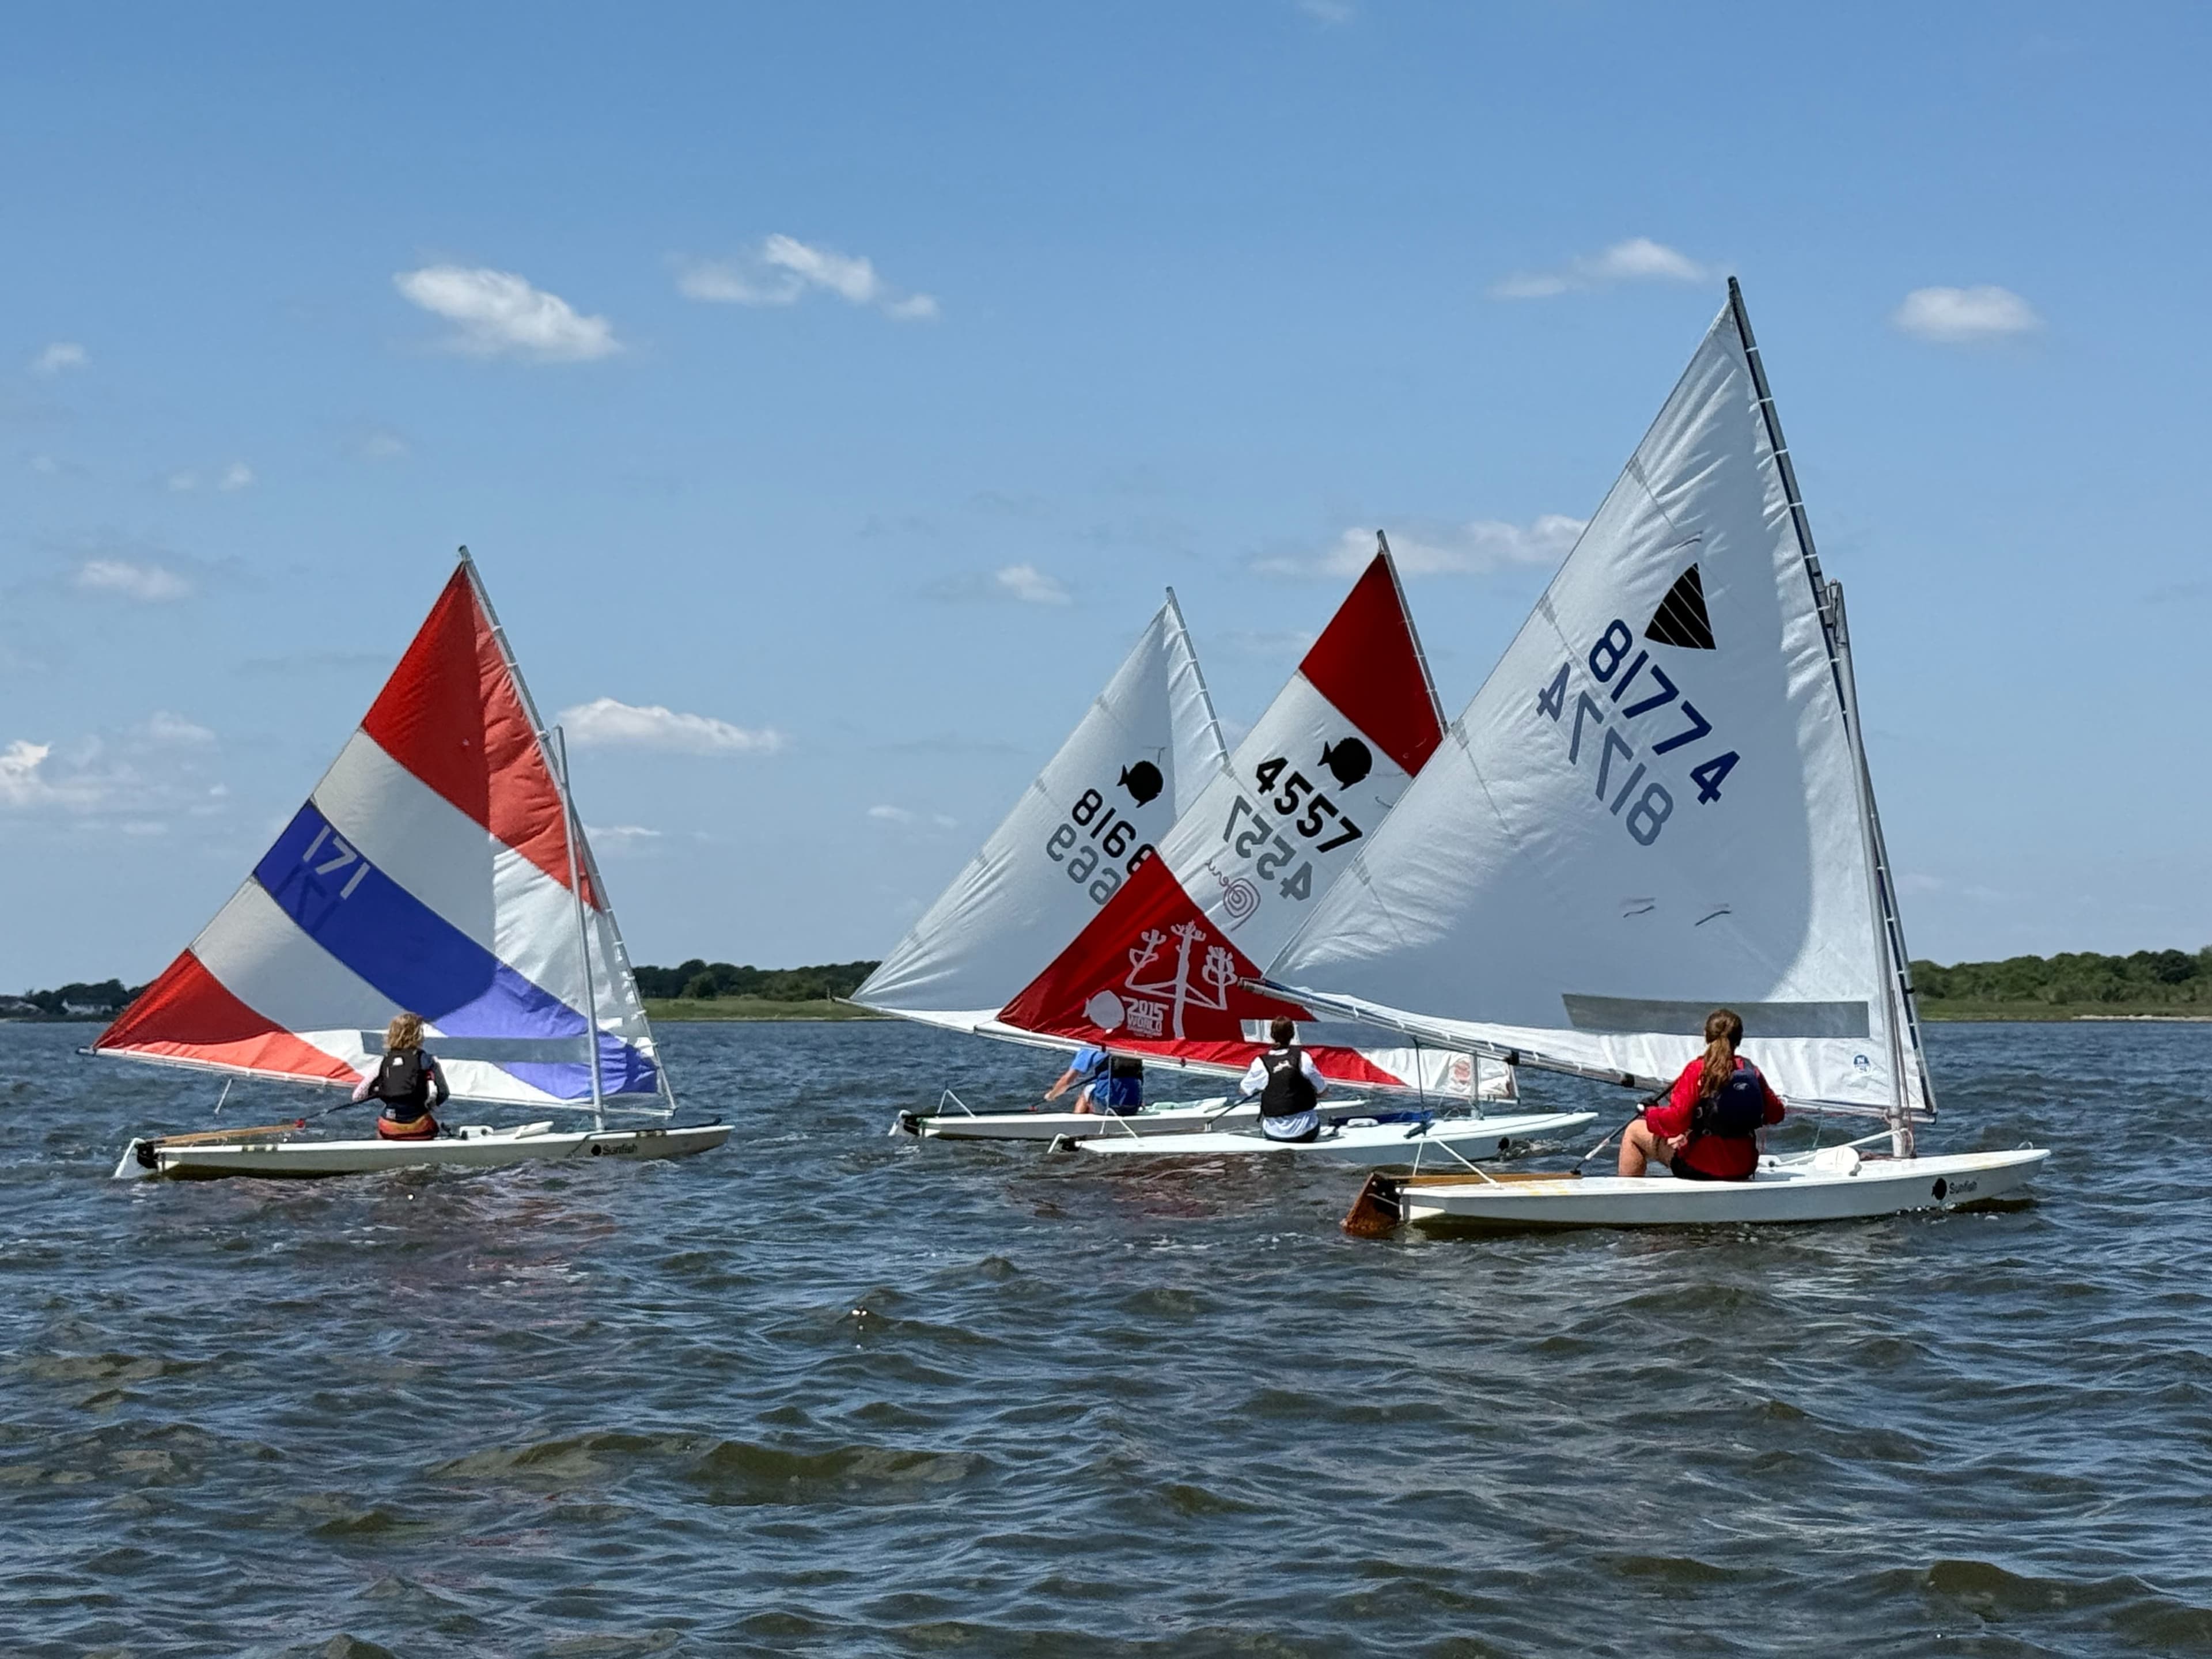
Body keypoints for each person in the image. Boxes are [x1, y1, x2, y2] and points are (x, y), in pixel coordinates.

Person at [1619, 1007, 1785, 1181]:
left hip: (1698, 1167)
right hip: (1744, 1166)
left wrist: (1650, 1112)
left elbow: (1676, 1120)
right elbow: (1777, 1114)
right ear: (1739, 1039)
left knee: (1634, 1131)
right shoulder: (1751, 1071)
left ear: (1706, 1035)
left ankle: (1626, 1203)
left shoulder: (1697, 1070)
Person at [353, 1012, 450, 1139]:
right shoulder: (428, 1060)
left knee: (382, 1128)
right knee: (433, 1126)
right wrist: (430, 1105)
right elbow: (443, 1093)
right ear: (418, 1035)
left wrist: (380, 1091)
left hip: (389, 1127)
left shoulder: (385, 1061)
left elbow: (357, 1096)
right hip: (418, 1126)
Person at [1239, 1017, 1328, 1143]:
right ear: (1292, 1034)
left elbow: (1244, 1090)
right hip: (1306, 1132)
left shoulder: (1260, 1063)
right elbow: (1324, 1091)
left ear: (1272, 1035)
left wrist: (1271, 1087)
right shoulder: (1303, 1057)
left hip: (1274, 1134)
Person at [1043, 1045, 1144, 1115]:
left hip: (1106, 1107)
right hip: (1133, 1107)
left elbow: (1067, 1080)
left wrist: (1052, 1095)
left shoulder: (1091, 1047)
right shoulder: (1133, 1047)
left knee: (1087, 1090)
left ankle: (1077, 1124)